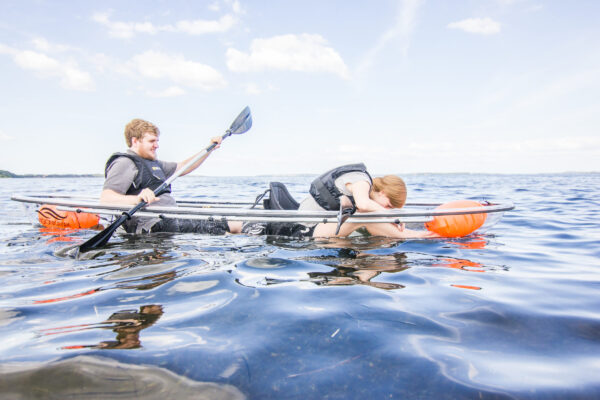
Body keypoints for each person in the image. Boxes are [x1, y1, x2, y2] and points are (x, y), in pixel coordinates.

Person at [101, 118, 242, 234]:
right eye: (151, 141)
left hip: (172, 218)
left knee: (233, 225)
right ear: (135, 141)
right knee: (226, 233)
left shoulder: (154, 164)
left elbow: (184, 167)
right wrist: (137, 198)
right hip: (154, 226)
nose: (157, 145)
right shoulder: (124, 163)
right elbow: (106, 200)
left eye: (157, 141)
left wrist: (209, 149)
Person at [245, 163, 435, 239]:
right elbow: (362, 205)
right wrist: (392, 217)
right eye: (389, 205)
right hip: (301, 231)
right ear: (383, 192)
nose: (387, 208)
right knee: (362, 214)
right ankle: (413, 236)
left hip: (315, 228)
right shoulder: (362, 181)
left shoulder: (367, 189)